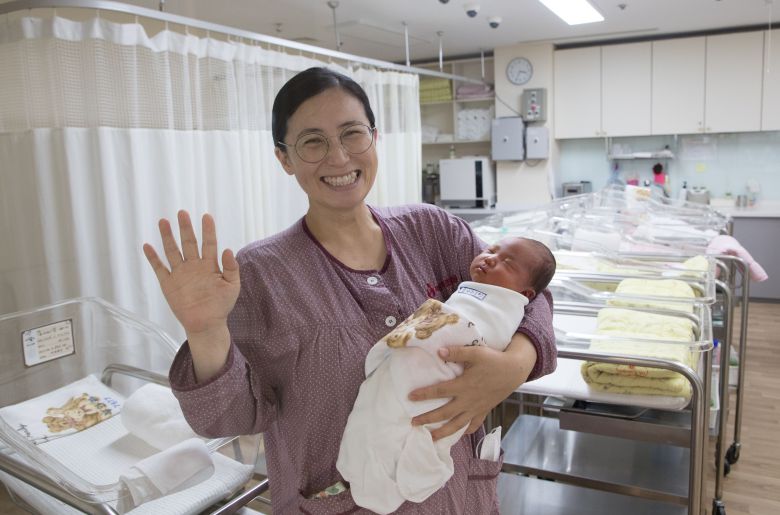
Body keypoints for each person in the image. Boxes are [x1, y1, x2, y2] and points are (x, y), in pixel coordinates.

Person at [142, 67, 556, 514]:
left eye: (352, 134)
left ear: (374, 139)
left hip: (457, 495)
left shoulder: (434, 232)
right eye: (312, 142)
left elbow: (529, 297)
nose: (338, 158)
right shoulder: (261, 274)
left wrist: (513, 365)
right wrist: (205, 332)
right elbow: (232, 419)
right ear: (285, 158)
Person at [337, 237, 556, 513]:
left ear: (524, 294)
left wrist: (516, 362)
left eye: (507, 263)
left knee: (418, 421)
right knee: (375, 410)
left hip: (449, 363)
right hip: (416, 357)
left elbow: (542, 298)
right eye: (490, 251)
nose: (490, 258)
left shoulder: (436, 229)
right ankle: (370, 465)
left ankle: (416, 469)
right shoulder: (476, 283)